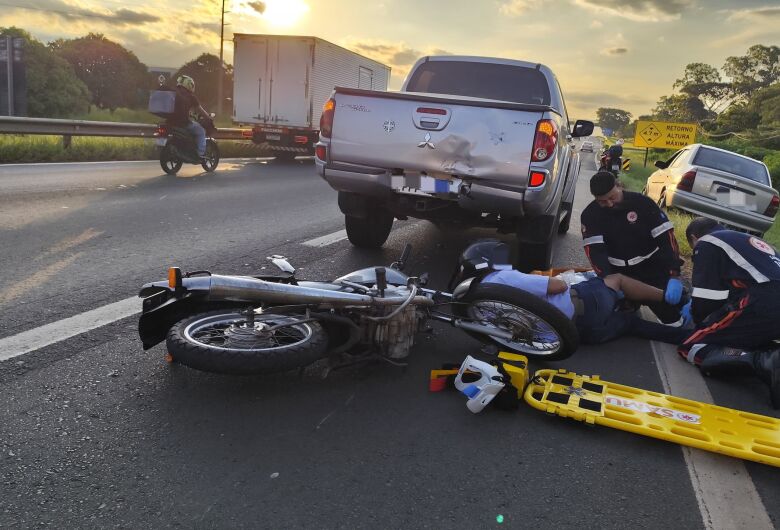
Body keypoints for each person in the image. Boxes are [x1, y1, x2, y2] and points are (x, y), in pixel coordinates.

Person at [455, 239, 681, 345]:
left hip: (581, 336)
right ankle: (671, 299)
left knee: (630, 324)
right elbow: (559, 286)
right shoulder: (503, 277)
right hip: (586, 307)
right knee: (615, 279)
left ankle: (678, 336)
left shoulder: (476, 304)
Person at [676, 217, 780, 408]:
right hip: (769, 300)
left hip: (765, 299)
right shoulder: (753, 243)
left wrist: (700, 322)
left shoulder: (706, 242)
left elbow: (706, 302)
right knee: (748, 337)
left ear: (693, 238)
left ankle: (760, 361)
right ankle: (771, 357)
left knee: (692, 345)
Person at [581, 170, 684, 324]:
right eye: (602, 201)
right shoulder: (590, 215)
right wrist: (607, 279)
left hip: (652, 269)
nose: (609, 204)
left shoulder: (643, 203)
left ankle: (683, 299)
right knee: (608, 319)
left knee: (674, 320)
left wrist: (674, 274)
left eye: (612, 198)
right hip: (621, 275)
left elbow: (667, 240)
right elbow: (595, 252)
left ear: (619, 186)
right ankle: (630, 303)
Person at [171, 75, 211, 159]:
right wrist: (208, 117)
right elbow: (201, 111)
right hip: (183, 124)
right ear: (189, 85)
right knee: (201, 131)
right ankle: (199, 154)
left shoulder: (173, 93)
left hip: (170, 122)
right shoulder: (191, 97)